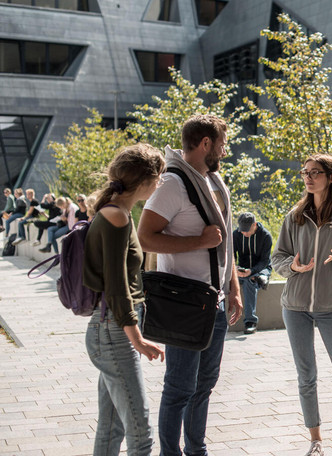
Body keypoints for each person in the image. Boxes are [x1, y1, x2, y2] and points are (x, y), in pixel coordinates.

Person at [137, 114, 243, 456]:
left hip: (215, 301)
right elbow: (145, 238)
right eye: (222, 144)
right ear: (205, 144)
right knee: (180, 387)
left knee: (204, 386)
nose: (224, 151)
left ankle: (197, 450)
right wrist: (198, 242)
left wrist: (235, 289)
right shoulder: (174, 183)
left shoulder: (213, 181)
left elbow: (224, 245)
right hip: (185, 303)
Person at [271, 154, 332, 456]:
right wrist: (294, 267)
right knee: (307, 376)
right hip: (296, 306)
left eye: (315, 172)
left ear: (330, 177)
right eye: (305, 172)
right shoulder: (295, 216)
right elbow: (278, 258)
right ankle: (315, 441)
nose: (308, 177)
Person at [83, 143, 166, 456]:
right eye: (158, 177)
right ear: (144, 182)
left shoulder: (116, 212)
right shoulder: (117, 217)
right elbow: (117, 287)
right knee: (140, 432)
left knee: (112, 425)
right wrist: (138, 339)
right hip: (114, 331)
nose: (159, 184)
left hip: (108, 328)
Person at [233, 211, 273, 335]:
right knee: (229, 280)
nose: (244, 233)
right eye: (242, 230)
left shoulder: (265, 236)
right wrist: (236, 269)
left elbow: (265, 261)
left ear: (254, 224)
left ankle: (250, 322)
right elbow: (232, 257)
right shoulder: (236, 235)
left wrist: (251, 271)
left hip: (260, 269)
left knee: (251, 280)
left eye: (247, 230)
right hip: (242, 269)